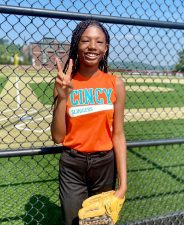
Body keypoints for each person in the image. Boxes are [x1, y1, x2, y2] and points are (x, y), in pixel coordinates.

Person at [51, 20, 127, 225]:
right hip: (72, 165)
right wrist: (63, 97)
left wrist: (123, 186)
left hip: (105, 165)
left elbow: (118, 135)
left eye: (99, 42)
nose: (92, 46)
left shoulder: (115, 84)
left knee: (100, 222)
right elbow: (58, 137)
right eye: (85, 40)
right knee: (73, 221)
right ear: (77, 45)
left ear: (105, 48)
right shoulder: (65, 83)